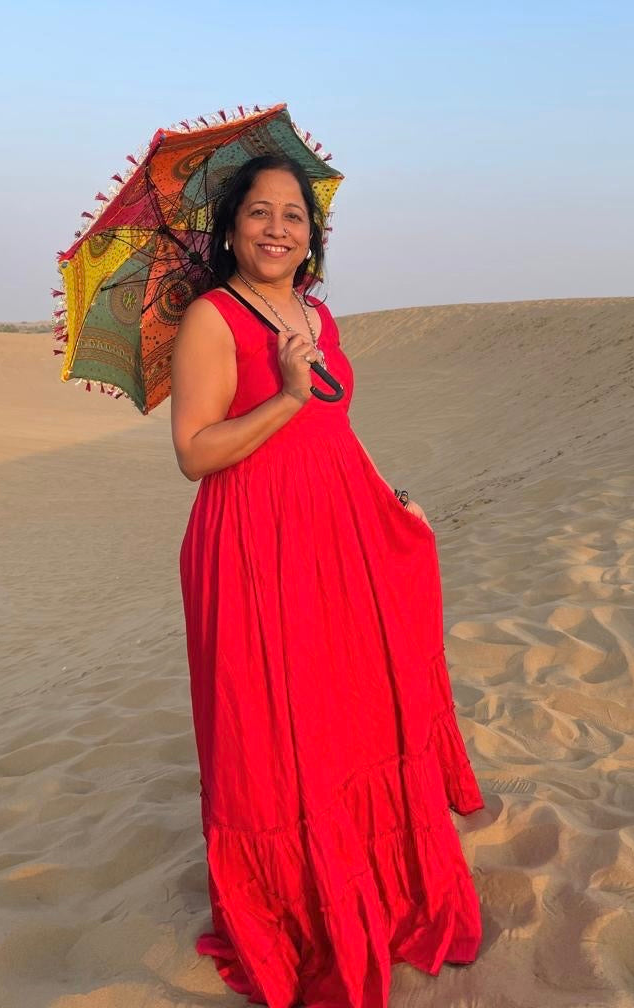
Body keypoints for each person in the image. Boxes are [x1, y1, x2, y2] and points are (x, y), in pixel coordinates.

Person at [170, 151, 486, 1008]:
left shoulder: (315, 311)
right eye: (260, 213)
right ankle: (300, 910)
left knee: (348, 711)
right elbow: (194, 455)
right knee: (277, 725)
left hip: (336, 531)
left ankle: (374, 885)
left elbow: (337, 426)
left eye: (294, 216)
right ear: (231, 228)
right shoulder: (210, 319)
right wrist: (282, 391)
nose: (277, 229)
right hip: (252, 545)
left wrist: (393, 499)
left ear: (313, 236)